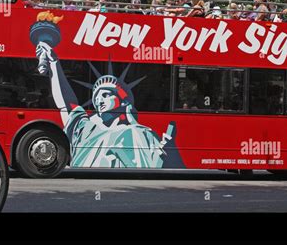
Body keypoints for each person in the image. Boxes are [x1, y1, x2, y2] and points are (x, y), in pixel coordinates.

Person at [35, 41, 184, 168]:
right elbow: (67, 104)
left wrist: (169, 150)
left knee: (133, 132)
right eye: (96, 98)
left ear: (123, 100)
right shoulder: (85, 128)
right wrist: (54, 63)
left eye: (106, 95)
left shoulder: (139, 133)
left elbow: (165, 165)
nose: (99, 101)